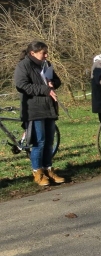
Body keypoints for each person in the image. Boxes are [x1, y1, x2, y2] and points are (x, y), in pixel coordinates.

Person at [13, 41, 65, 186]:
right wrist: (45, 89)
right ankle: (37, 172)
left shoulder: (46, 64)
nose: (46, 55)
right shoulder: (23, 65)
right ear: (33, 53)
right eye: (43, 53)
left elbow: (57, 81)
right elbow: (22, 85)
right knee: (39, 142)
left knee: (49, 142)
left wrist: (52, 83)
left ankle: (49, 170)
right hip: (33, 109)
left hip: (49, 108)